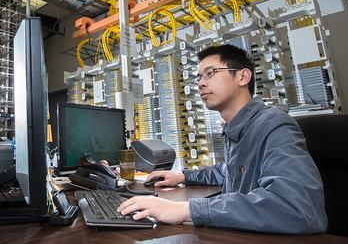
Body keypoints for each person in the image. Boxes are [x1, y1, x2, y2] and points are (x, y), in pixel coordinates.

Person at [118, 44, 328, 234]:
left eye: (210, 73)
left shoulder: (273, 125)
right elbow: (230, 170)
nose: (200, 83)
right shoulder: (236, 128)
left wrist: (186, 210)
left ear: (243, 77)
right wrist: (182, 176)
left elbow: (298, 209)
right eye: (199, 77)